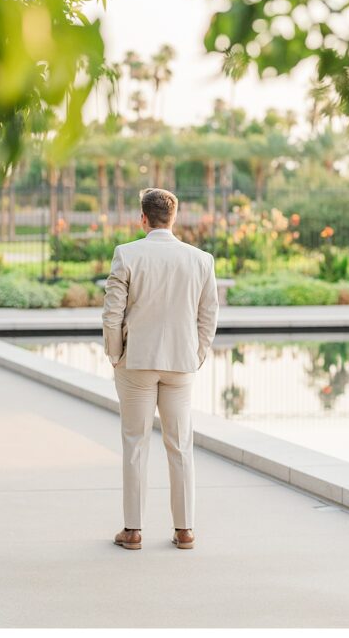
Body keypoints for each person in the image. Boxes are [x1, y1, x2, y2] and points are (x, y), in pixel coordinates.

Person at [102, 188, 218, 551]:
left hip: (136, 361)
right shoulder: (201, 259)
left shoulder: (127, 254)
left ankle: (133, 531)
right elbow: (208, 314)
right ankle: (185, 530)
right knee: (180, 445)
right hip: (181, 364)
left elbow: (112, 312)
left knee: (135, 444)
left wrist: (116, 354)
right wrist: (196, 355)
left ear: (143, 218)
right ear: (174, 217)